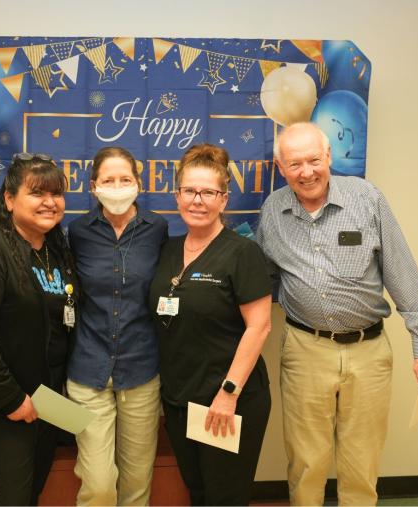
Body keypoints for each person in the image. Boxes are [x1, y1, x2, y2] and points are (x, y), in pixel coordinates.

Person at [256, 122, 418, 506]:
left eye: (313, 160)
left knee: (362, 462)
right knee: (307, 461)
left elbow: (402, 273)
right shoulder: (273, 212)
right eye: (295, 164)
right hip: (305, 348)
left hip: (368, 350)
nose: (306, 172)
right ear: (280, 168)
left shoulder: (367, 199)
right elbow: (260, 278)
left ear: (329, 157)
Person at [148, 144, 273, 505]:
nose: (197, 200)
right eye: (189, 191)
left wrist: (228, 393)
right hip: (179, 398)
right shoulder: (167, 249)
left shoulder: (242, 252)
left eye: (208, 192)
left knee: (224, 497)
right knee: (198, 492)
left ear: (224, 199)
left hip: (227, 400)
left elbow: (259, 327)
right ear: (177, 196)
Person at [0, 153, 78, 505]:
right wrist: (11, 399)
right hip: (5, 407)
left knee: (31, 492)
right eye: (37, 193)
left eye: (56, 194)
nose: (49, 203)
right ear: (8, 199)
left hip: (46, 404)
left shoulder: (55, 248)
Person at [66, 147, 168, 505]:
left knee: (137, 483)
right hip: (87, 371)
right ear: (93, 186)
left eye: (126, 179)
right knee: (97, 483)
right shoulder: (77, 232)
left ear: (139, 184)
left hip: (140, 370)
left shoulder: (158, 228)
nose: (118, 186)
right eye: (108, 180)